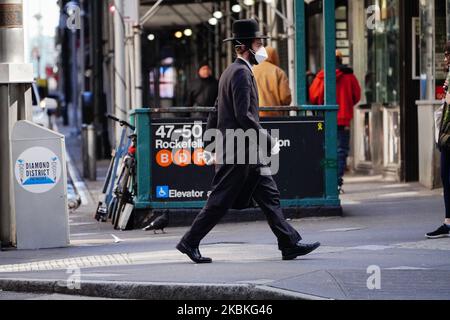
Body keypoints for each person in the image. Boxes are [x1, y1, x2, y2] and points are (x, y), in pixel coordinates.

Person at [176, 19, 321, 264]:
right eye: (258, 43)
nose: (262, 47)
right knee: (220, 200)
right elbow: (244, 114)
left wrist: (212, 143)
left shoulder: (230, 71)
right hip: (238, 149)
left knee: (269, 195)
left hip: (242, 148)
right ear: (245, 46)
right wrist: (263, 138)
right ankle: (189, 242)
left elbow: (216, 109)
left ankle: (288, 243)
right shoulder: (241, 73)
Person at [309, 50, 361, 192]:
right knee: (341, 151)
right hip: (343, 120)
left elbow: (313, 96)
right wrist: (346, 104)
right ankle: (337, 182)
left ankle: (328, 181)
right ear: (340, 59)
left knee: (326, 150)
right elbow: (357, 96)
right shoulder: (349, 76)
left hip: (326, 120)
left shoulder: (321, 77)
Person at [426, 42, 450, 239]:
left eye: (447, 55)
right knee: (446, 177)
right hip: (446, 134)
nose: (445, 59)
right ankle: (448, 221)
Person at [253, 46, 292, 117]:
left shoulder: (250, 70)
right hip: (274, 117)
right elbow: (285, 98)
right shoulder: (278, 72)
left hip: (253, 115)